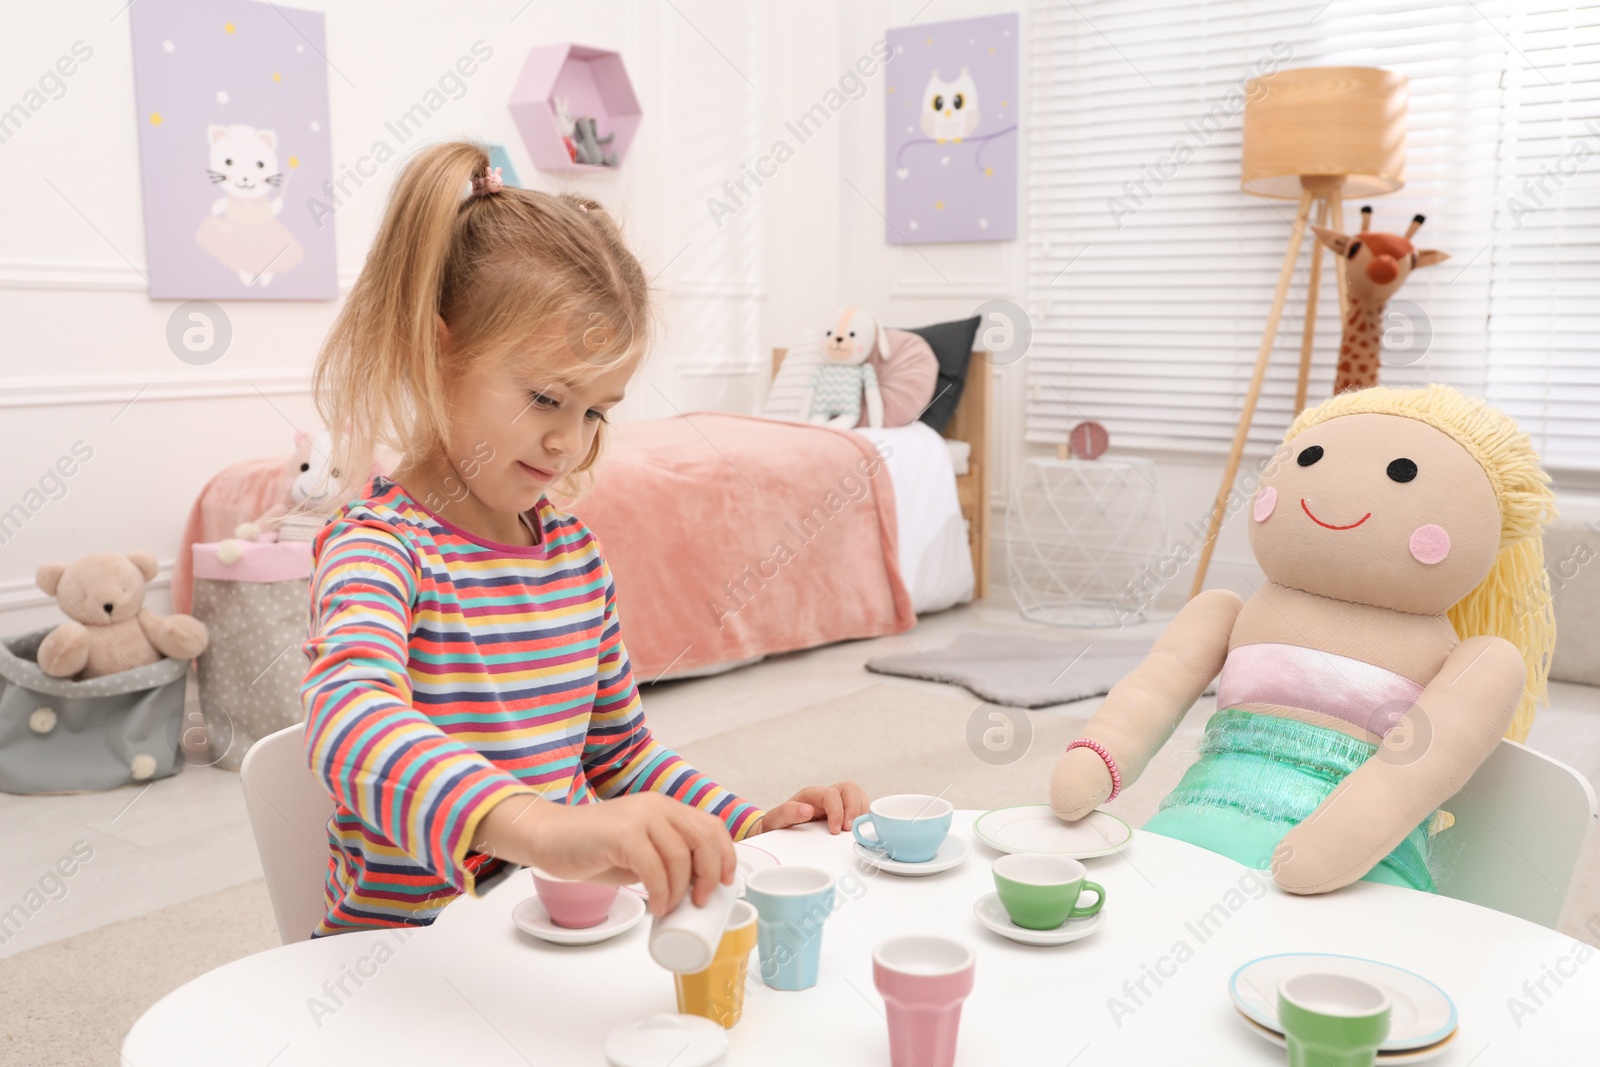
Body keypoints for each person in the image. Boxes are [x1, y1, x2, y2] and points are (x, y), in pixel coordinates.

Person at [299, 142, 866, 937]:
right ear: (437, 349)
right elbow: (350, 719)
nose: (569, 441)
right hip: (401, 966)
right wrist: (539, 827)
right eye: (546, 397)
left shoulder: (572, 556)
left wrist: (747, 825)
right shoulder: (379, 547)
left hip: (543, 944)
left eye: (595, 410)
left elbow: (624, 760)